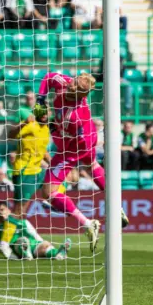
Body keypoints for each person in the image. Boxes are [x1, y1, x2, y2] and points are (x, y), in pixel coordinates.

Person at [31, 72, 102, 252]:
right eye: (74, 81)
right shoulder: (65, 82)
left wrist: (50, 126)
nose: (72, 85)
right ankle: (116, 204)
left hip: (74, 147)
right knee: (92, 164)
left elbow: (63, 143)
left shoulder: (75, 116)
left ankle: (87, 223)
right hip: (82, 137)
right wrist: (40, 99)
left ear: (82, 95)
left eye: (77, 87)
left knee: (48, 192)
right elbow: (48, 77)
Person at [0, 201, 71, 260]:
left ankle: (59, 253)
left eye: (2, 209)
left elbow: (36, 237)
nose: (0, 212)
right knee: (22, 241)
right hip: (17, 248)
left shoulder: (23, 223)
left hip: (32, 246)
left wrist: (46, 244)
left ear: (9, 210)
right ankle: (26, 253)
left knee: (44, 247)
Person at [7, 108, 50, 217]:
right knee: (20, 211)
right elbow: (10, 135)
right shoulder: (30, 125)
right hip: (25, 172)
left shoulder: (46, 129)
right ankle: (9, 232)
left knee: (63, 176)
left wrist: (53, 163)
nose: (45, 114)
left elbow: (42, 150)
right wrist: (23, 124)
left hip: (38, 171)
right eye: (42, 111)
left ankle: (49, 200)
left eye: (47, 111)